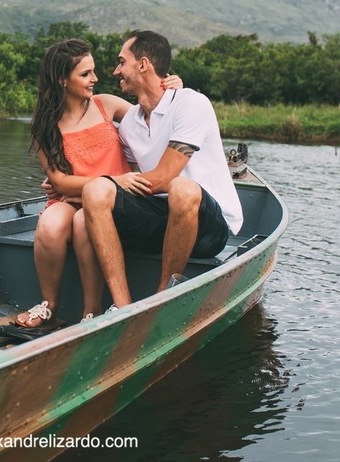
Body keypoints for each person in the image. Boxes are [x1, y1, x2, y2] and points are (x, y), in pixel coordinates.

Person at [14, 38, 182, 328]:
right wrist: (112, 180)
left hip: (115, 199)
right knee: (50, 224)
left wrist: (171, 89)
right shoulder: (45, 125)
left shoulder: (106, 105)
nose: (95, 79)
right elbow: (59, 180)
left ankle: (90, 311)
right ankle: (48, 304)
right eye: (85, 74)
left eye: (93, 71)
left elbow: (153, 117)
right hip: (73, 195)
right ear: (61, 80)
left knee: (83, 223)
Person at [82, 29, 242, 307]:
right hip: (162, 217)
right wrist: (73, 184)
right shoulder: (130, 122)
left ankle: (162, 298)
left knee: (180, 187)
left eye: (122, 62)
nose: (116, 70)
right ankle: (122, 307)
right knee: (96, 191)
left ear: (143, 64)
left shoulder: (191, 103)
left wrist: (114, 183)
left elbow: (163, 178)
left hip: (209, 227)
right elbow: (127, 176)